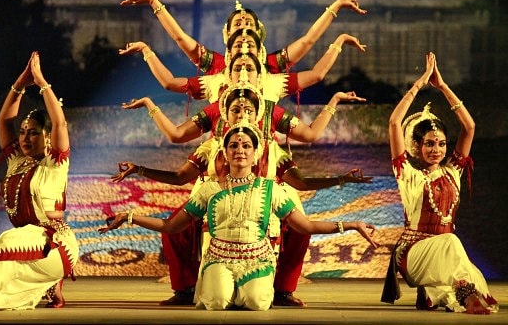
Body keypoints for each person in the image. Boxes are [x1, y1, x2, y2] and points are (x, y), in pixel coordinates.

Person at [100, 119, 378, 311]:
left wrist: (350, 224)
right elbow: (172, 226)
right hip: (219, 258)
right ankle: (219, 286)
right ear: (225, 152)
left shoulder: (271, 190)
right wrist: (129, 217)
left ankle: (244, 288)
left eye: (246, 146)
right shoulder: (208, 189)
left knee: (257, 304)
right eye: (234, 145)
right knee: (218, 302)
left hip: (256, 260)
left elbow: (304, 226)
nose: (240, 150)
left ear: (257, 154)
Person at [0, 51, 79, 314]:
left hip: (55, 243)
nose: (25, 138)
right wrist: (20, 83)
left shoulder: (54, 163)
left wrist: (42, 83)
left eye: (33, 133)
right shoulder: (16, 161)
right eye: (22, 132)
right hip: (28, 243)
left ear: (47, 137)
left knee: (7, 242)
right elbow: (3, 120)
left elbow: (60, 123)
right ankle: (45, 285)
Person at [381, 52, 499, 314]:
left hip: (444, 251)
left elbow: (469, 127)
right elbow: (393, 122)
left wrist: (443, 86)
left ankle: (434, 295)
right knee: (452, 244)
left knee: (472, 278)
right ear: (417, 146)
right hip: (413, 253)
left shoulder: (452, 172)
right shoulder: (408, 173)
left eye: (442, 143)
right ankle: (463, 299)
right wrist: (419, 84)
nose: (437, 149)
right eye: (430, 144)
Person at [121, 0, 367, 76]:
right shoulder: (216, 65)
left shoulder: (270, 66)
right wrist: (155, 4)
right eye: (238, 24)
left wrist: (334, 8)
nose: (243, 27)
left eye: (248, 24)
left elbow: (308, 40)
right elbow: (180, 38)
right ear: (227, 35)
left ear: (259, 35)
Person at [119, 29, 366, 104]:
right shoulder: (215, 83)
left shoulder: (272, 82)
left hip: (264, 164)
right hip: (220, 163)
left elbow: (316, 70)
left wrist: (339, 40)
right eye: (238, 64)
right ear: (228, 55)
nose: (244, 71)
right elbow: (170, 84)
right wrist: (146, 50)